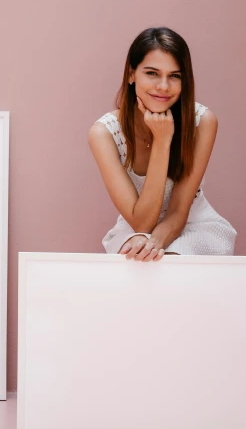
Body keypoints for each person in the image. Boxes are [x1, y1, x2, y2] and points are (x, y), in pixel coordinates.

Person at [88, 27, 236, 261]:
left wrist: (155, 243)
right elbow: (142, 222)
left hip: (193, 224)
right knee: (135, 256)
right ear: (131, 74)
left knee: (172, 260)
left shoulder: (203, 122)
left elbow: (178, 211)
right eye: (152, 73)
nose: (164, 86)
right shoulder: (104, 133)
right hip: (135, 227)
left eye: (174, 76)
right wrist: (162, 140)